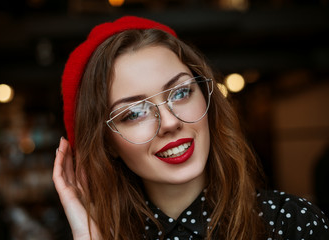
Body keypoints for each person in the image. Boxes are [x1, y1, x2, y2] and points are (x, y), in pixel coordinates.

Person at [53, 16, 329, 240]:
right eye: (134, 113)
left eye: (180, 93)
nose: (171, 122)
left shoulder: (290, 223)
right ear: (108, 143)